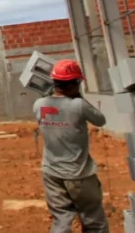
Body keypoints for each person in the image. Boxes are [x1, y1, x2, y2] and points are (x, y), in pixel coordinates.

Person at [34, 60, 109, 233]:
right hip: (79, 174)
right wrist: (79, 97)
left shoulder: (39, 105)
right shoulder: (78, 105)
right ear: (75, 83)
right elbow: (100, 120)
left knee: (61, 222)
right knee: (93, 221)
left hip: (51, 173)